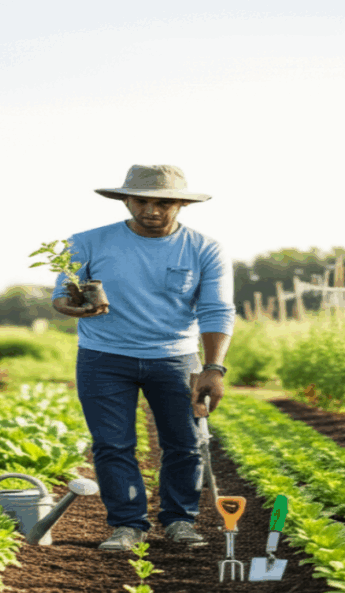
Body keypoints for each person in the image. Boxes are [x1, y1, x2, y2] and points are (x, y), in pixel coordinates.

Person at [50, 164, 236, 552]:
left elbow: (217, 309)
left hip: (176, 359)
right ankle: (127, 525)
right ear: (126, 200)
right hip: (103, 358)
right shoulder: (87, 242)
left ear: (181, 204)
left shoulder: (204, 248)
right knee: (112, 445)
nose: (151, 209)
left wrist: (213, 367)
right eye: (141, 200)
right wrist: (73, 308)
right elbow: (62, 296)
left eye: (163, 202)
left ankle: (179, 521)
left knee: (184, 443)